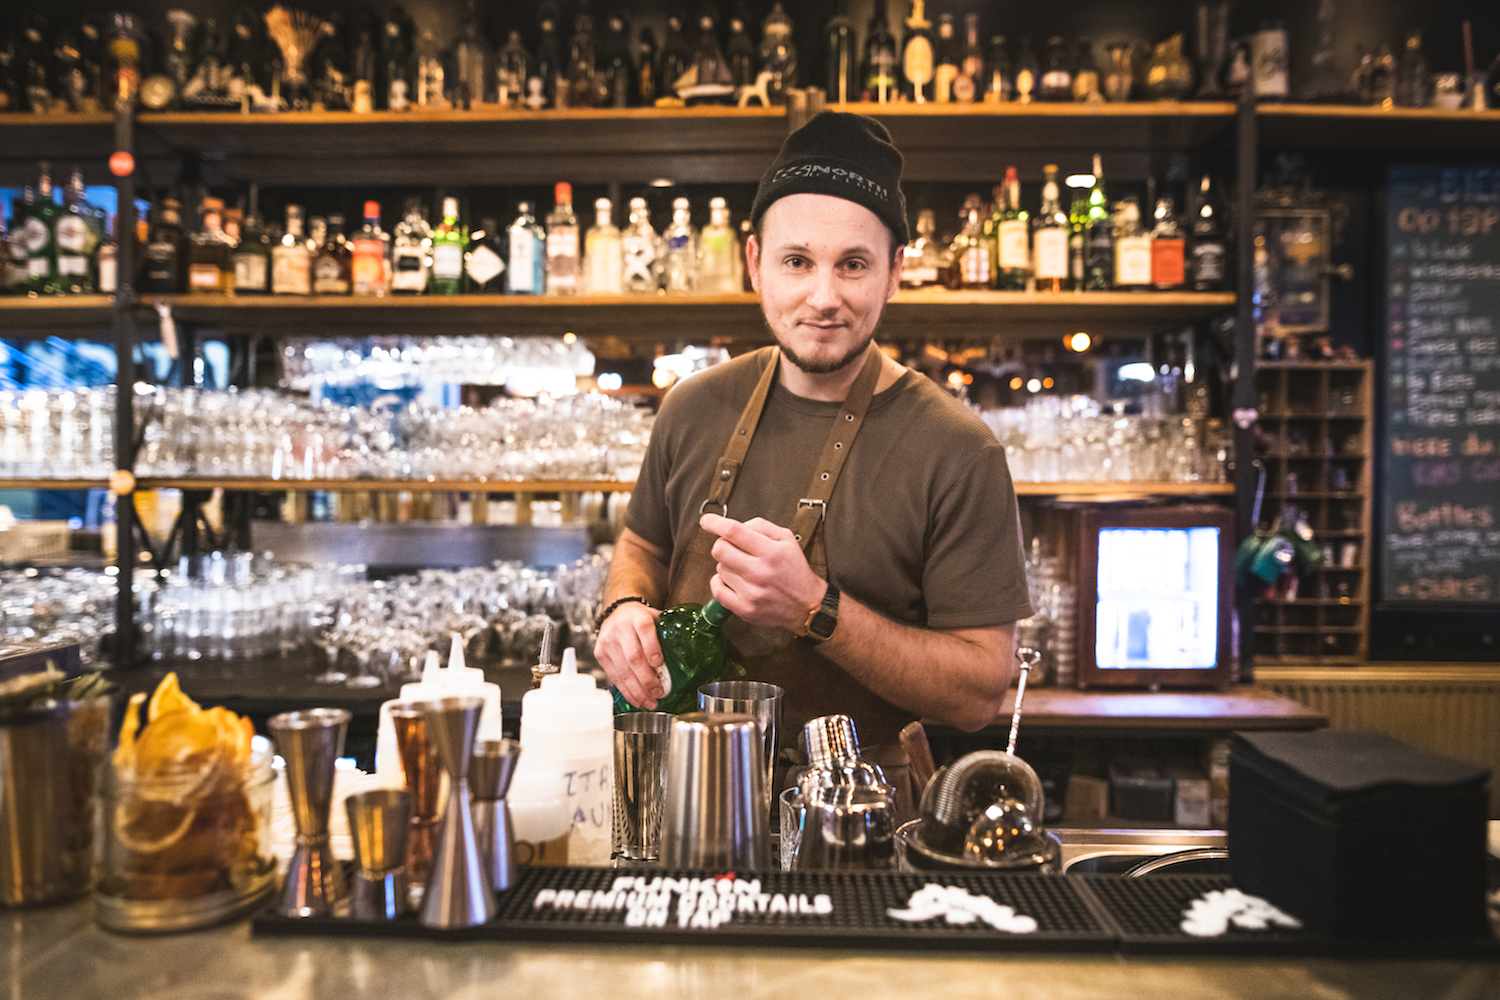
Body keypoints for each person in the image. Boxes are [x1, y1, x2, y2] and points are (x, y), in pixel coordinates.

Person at [594, 111, 1032, 817]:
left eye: (852, 264)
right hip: (681, 792)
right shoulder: (692, 407)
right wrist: (624, 608)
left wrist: (814, 609)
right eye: (797, 261)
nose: (823, 297)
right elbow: (642, 543)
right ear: (754, 263)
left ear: (894, 271)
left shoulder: (957, 448)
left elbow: (982, 690)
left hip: (864, 815)